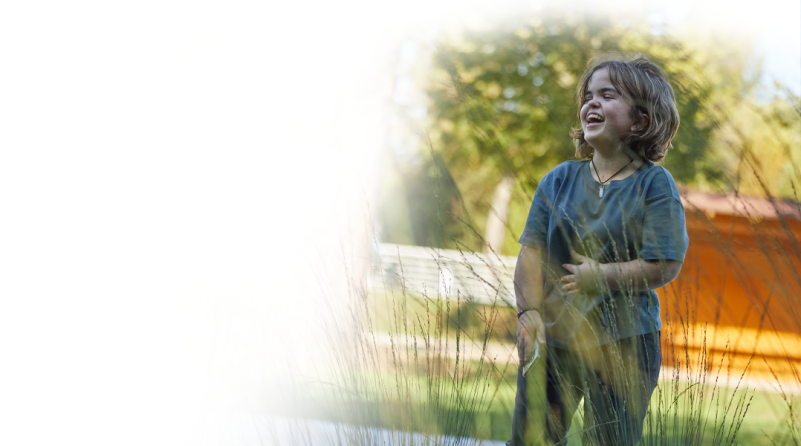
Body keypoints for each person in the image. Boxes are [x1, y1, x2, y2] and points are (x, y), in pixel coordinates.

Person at [507, 54, 689, 446]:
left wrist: (602, 277)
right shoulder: (558, 180)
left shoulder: (654, 185)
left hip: (624, 343)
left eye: (607, 95)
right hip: (554, 339)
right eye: (588, 95)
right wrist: (528, 312)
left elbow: (666, 263)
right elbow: (531, 254)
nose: (591, 103)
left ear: (640, 120)